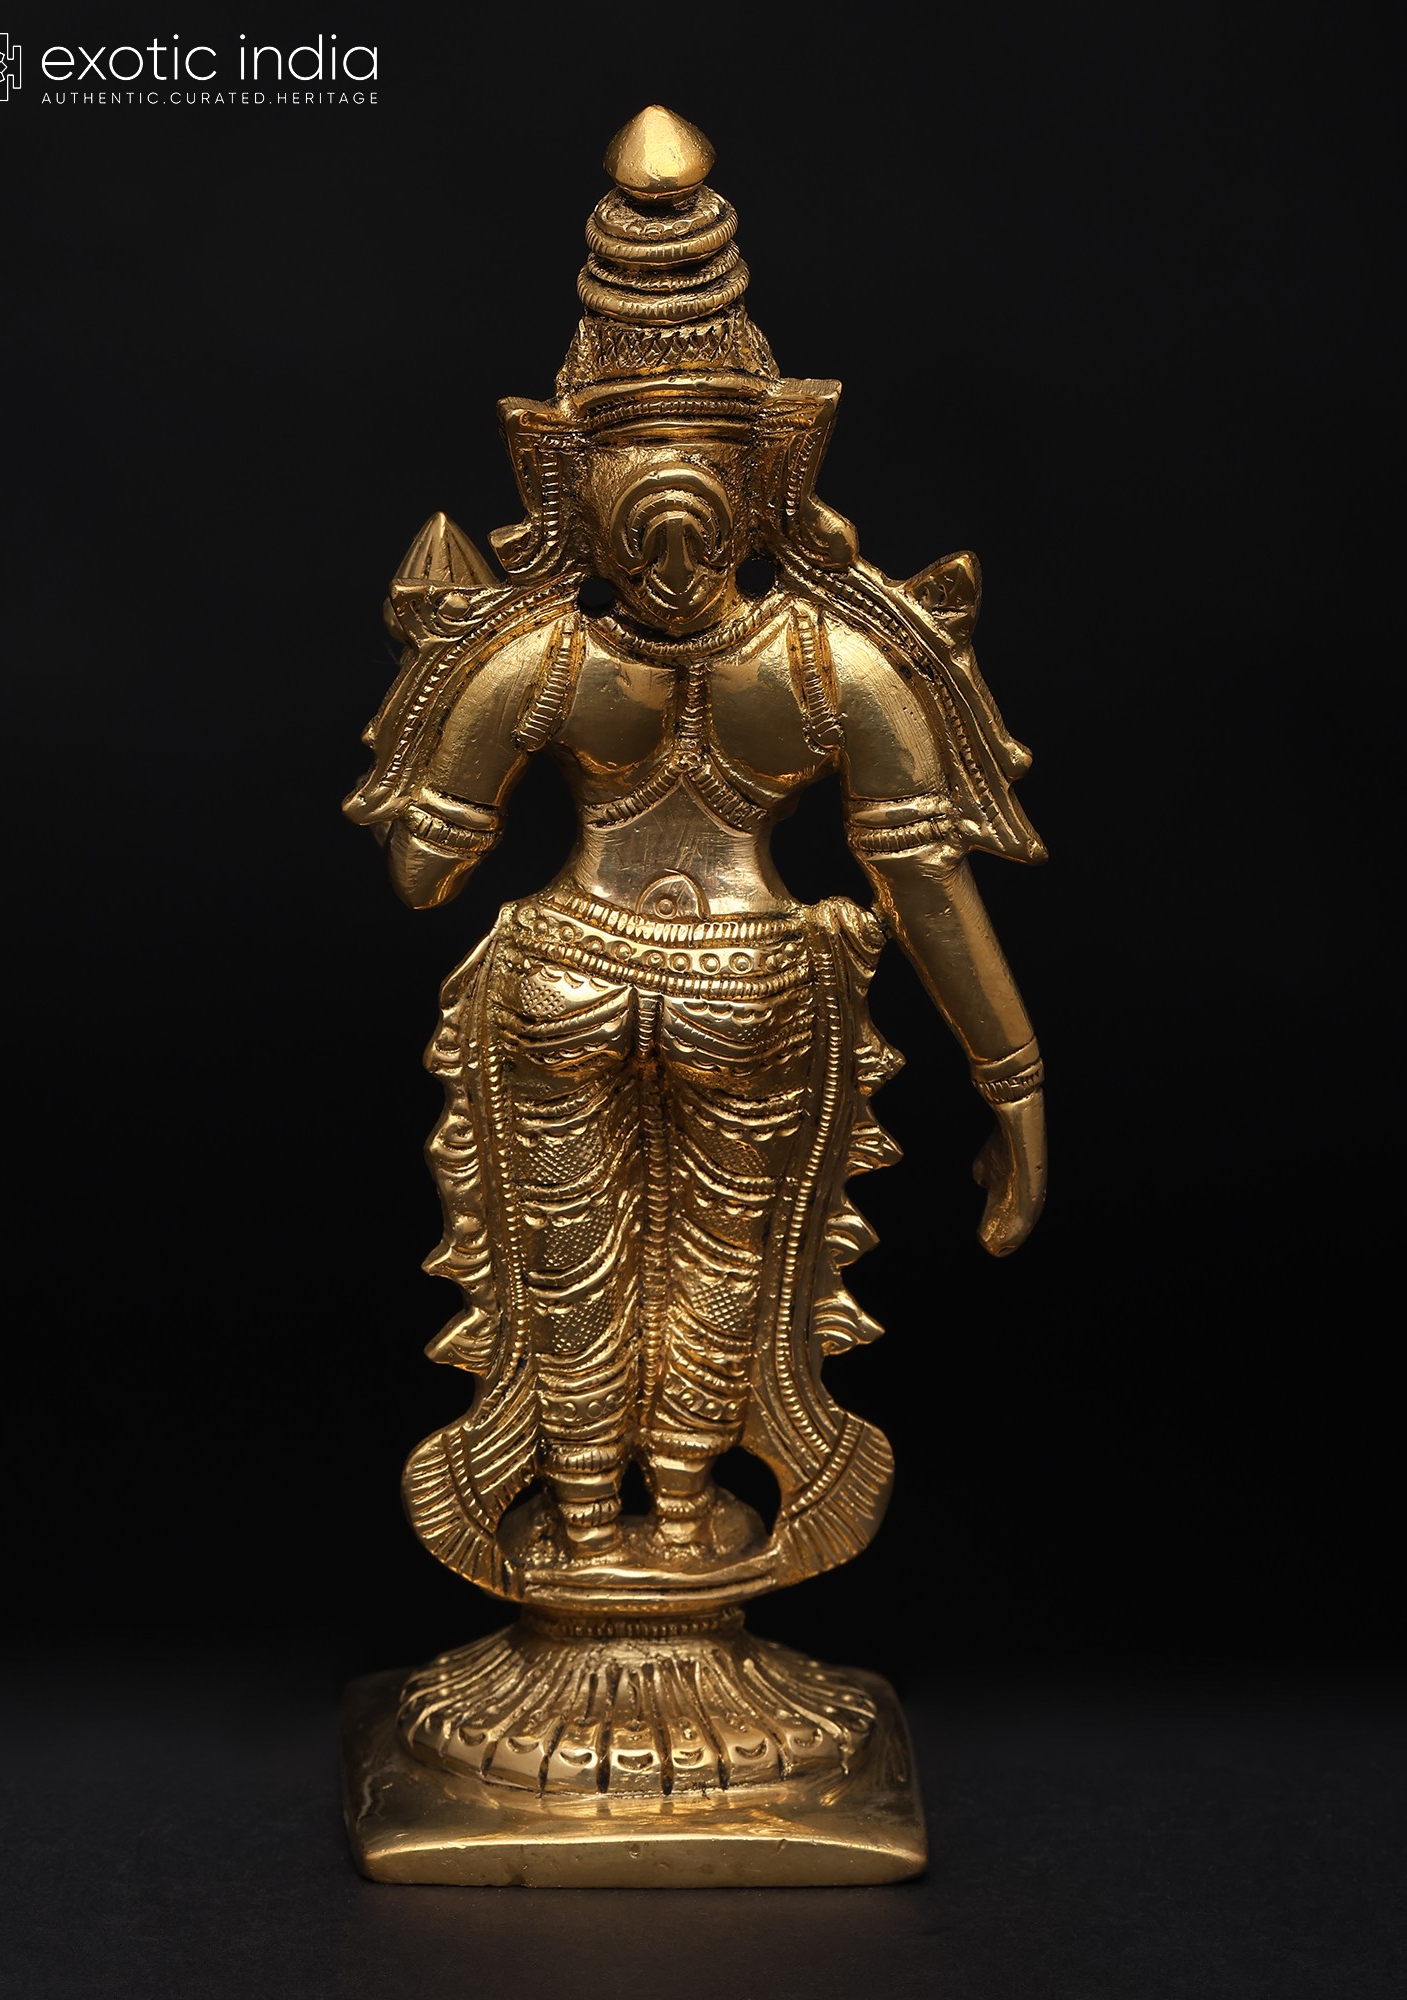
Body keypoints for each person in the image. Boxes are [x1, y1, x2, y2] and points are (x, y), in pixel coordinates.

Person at [344, 108, 1046, 1601]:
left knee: (568, 1263)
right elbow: (926, 888)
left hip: (566, 970)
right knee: (729, 1265)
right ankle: (678, 1516)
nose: (669, 550)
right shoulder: (835, 665)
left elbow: (422, 879)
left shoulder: (537, 656)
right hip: (754, 982)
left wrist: (436, 668)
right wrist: (1016, 1081)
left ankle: (582, 1523)